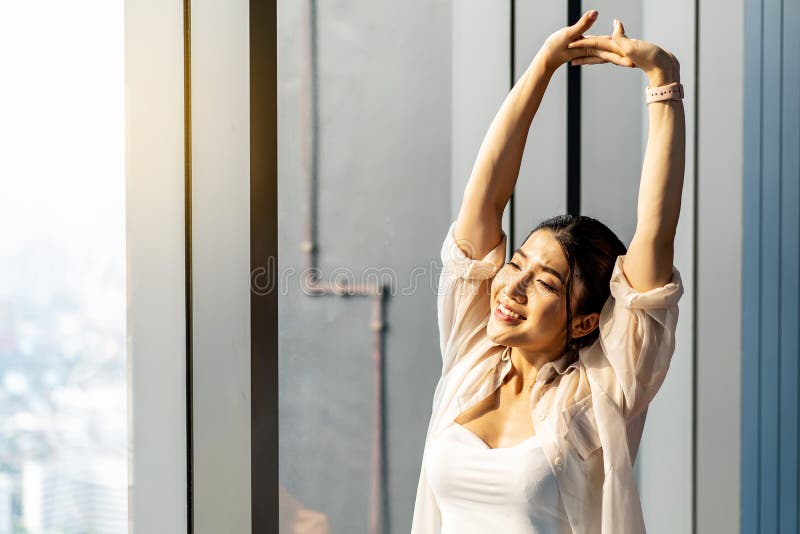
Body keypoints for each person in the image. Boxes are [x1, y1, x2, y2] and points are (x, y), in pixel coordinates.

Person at [411, 9, 686, 534]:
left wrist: (663, 83)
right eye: (516, 264)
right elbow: (485, 202)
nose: (510, 286)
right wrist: (543, 66)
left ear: (583, 321)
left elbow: (655, 237)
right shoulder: (473, 355)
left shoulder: (601, 391)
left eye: (543, 282)